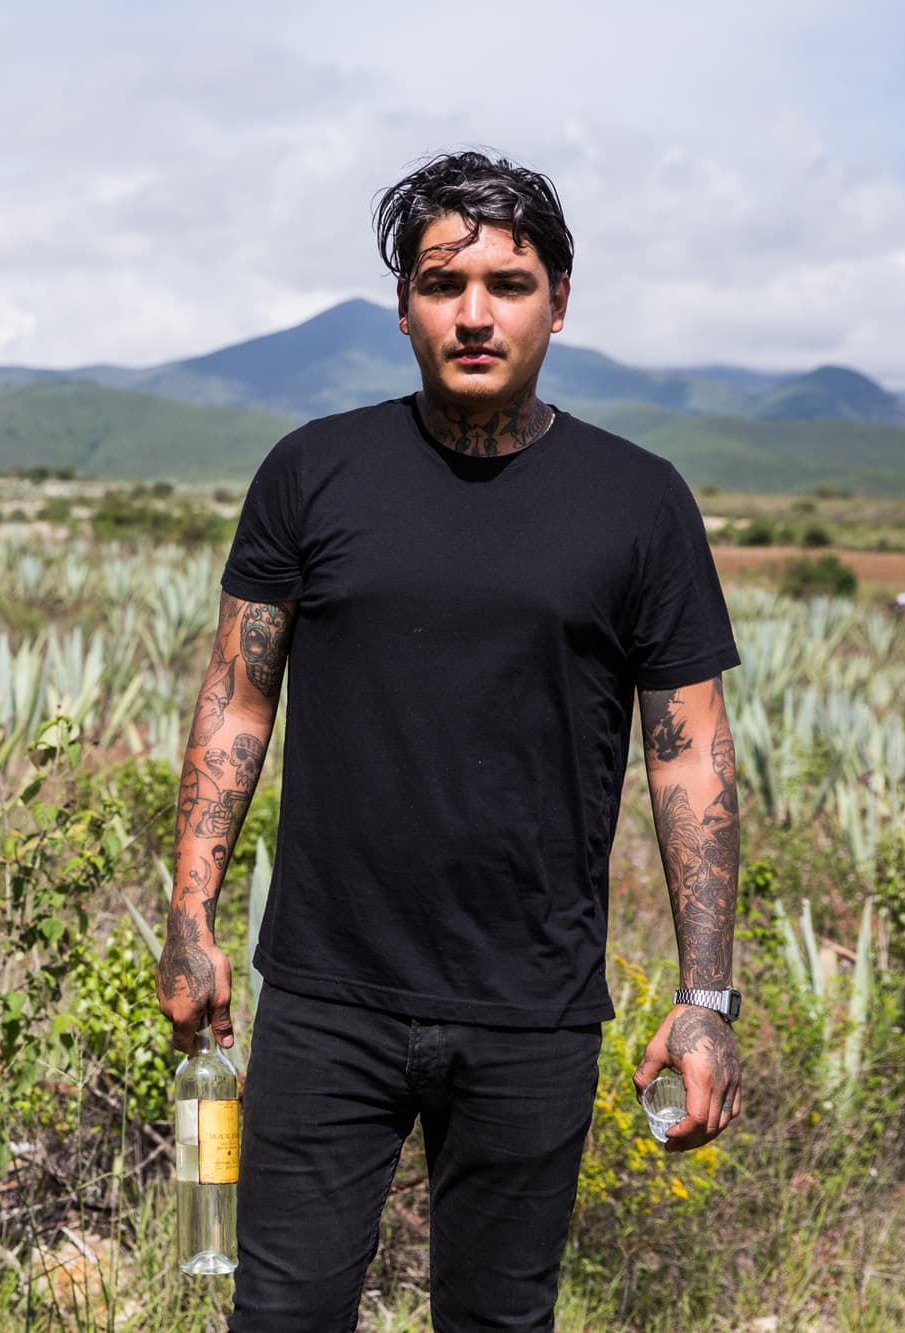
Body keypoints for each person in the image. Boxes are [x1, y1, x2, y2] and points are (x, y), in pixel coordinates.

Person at [155, 151, 743, 1331]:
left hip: (532, 1005)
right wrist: (190, 912)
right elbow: (236, 700)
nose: (473, 313)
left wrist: (704, 998)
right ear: (403, 306)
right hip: (325, 995)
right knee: (278, 1315)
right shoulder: (312, 472)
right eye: (441, 283)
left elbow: (688, 754)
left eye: (507, 284)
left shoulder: (638, 501)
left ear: (557, 302)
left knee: (498, 1321)